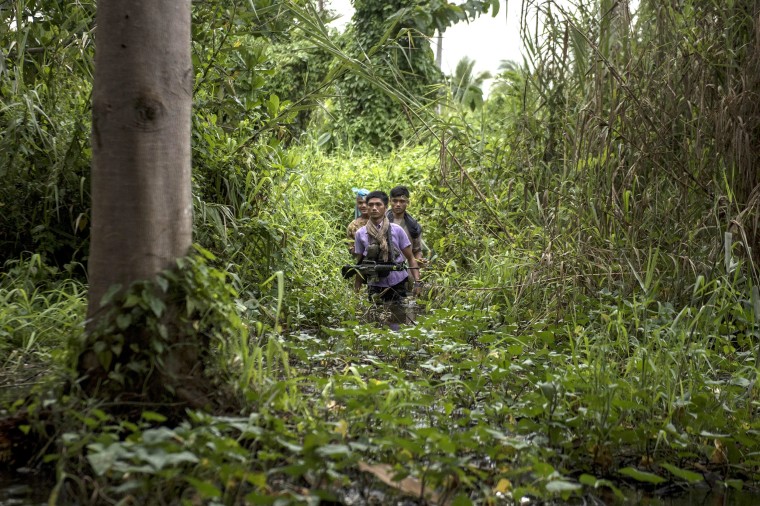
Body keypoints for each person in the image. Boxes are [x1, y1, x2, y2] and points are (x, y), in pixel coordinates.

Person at [353, 191, 421, 302]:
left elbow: (411, 258)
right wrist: (356, 292)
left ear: (385, 207)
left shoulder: (397, 230)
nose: (374, 208)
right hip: (374, 284)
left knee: (400, 315)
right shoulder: (360, 233)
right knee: (375, 316)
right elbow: (360, 263)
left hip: (398, 282)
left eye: (378, 204)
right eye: (370, 205)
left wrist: (418, 282)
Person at [387, 186, 423, 261]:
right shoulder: (381, 221)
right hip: (385, 268)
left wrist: (419, 260)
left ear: (407, 202)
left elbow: (417, 250)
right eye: (395, 201)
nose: (398, 204)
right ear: (390, 201)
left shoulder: (413, 226)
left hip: (406, 269)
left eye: (402, 201)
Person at [347, 188, 369, 254]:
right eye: (360, 203)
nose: (363, 206)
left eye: (366, 202)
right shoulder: (353, 225)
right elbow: (351, 250)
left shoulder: (378, 221)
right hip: (362, 262)